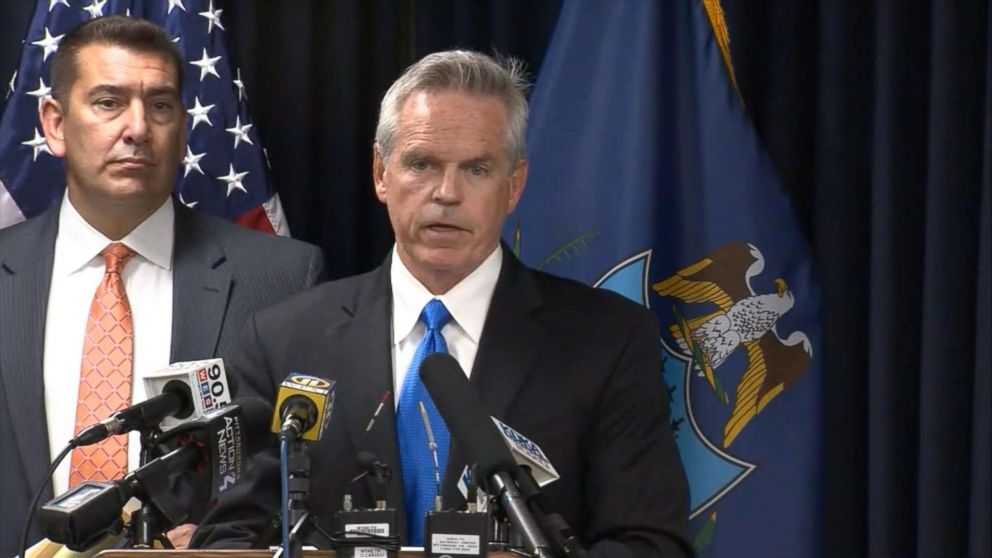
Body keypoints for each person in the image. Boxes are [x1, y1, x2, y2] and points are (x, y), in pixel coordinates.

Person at [194, 50, 691, 557]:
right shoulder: (284, 341)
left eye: (476, 169)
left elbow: (648, 542)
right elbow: (232, 535)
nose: (446, 193)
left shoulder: (607, 340)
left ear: (514, 186)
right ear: (380, 173)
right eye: (422, 163)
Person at [0, 16, 324, 555]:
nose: (137, 128)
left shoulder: (281, 279)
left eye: (160, 105)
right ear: (54, 124)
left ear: (183, 126)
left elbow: (300, 475)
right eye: (108, 102)